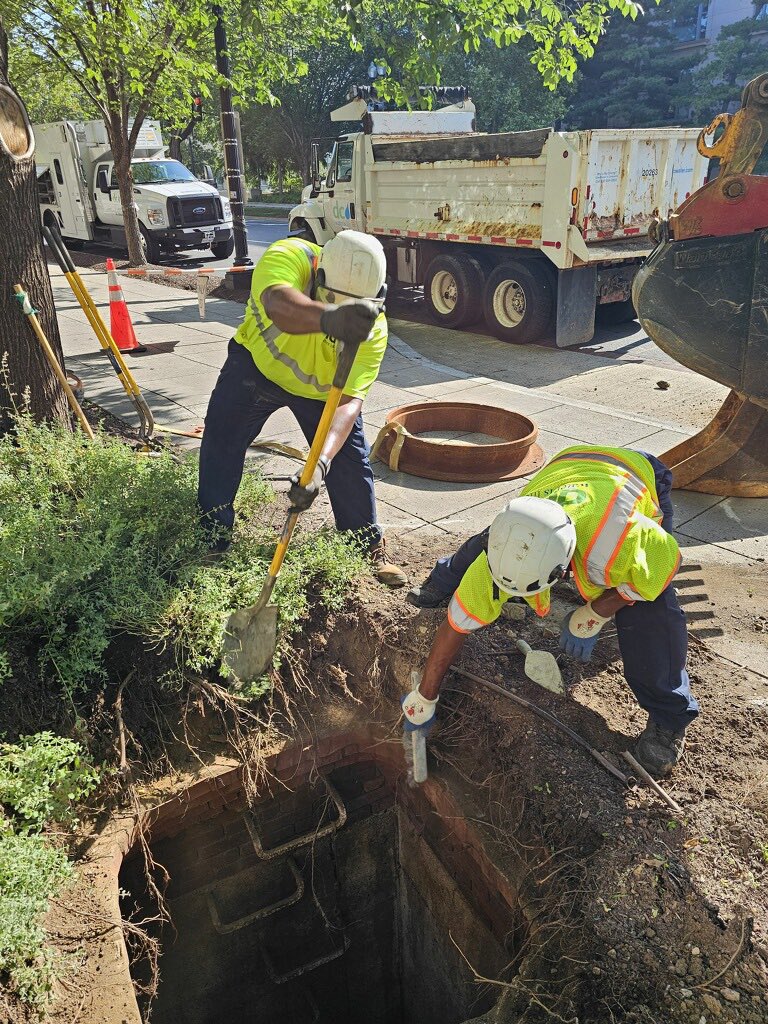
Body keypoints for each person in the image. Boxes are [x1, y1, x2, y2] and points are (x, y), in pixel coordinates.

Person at [402, 445, 698, 776]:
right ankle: (441, 581)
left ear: (562, 572)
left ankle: (669, 717)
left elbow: (664, 566)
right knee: (483, 546)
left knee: (651, 610)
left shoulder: (621, 542)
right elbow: (454, 627)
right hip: (567, 466)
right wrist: (425, 696)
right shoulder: (502, 544)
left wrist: (599, 610)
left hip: (637, 477)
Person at [197, 229, 406, 586]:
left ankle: (363, 544)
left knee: (349, 462)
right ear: (318, 275)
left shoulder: (374, 329)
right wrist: (330, 318)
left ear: (379, 294)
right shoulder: (289, 256)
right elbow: (278, 305)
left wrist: (319, 465)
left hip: (322, 395)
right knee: (222, 444)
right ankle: (212, 538)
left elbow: (350, 401)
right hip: (256, 369)